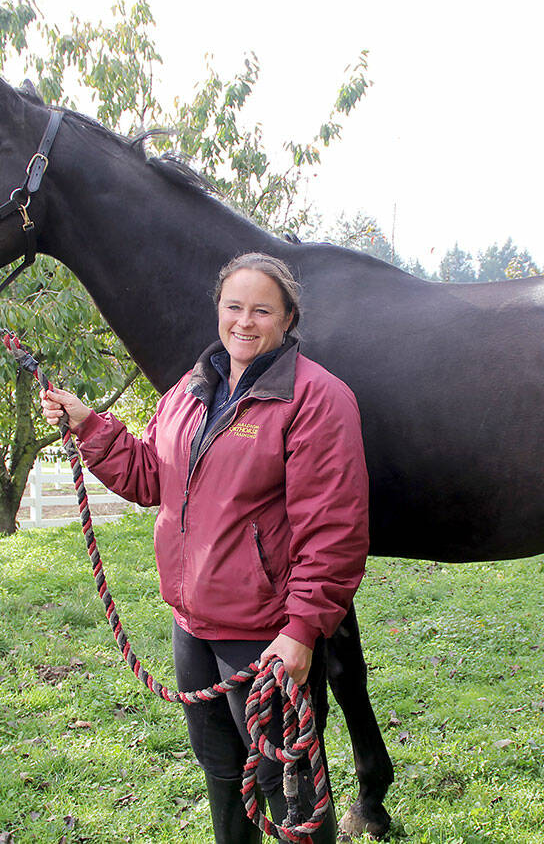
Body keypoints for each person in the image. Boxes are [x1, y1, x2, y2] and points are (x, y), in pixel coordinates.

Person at [40, 252, 369, 844]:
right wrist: (91, 425)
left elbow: (334, 530)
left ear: (287, 317)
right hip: (191, 625)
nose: (245, 321)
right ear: (218, 311)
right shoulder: (189, 394)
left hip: (263, 629)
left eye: (261, 310)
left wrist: (300, 629)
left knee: (284, 783)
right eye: (233, 307)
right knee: (222, 772)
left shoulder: (316, 399)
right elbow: (150, 477)